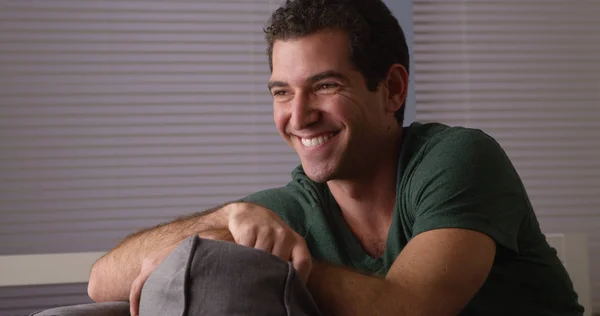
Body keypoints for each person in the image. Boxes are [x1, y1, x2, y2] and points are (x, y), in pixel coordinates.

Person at [87, 0, 585, 315]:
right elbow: (101, 281)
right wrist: (223, 220)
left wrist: (261, 261)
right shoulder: (289, 209)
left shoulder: (456, 159)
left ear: (391, 89)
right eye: (282, 92)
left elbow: (410, 309)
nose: (298, 116)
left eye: (324, 85)